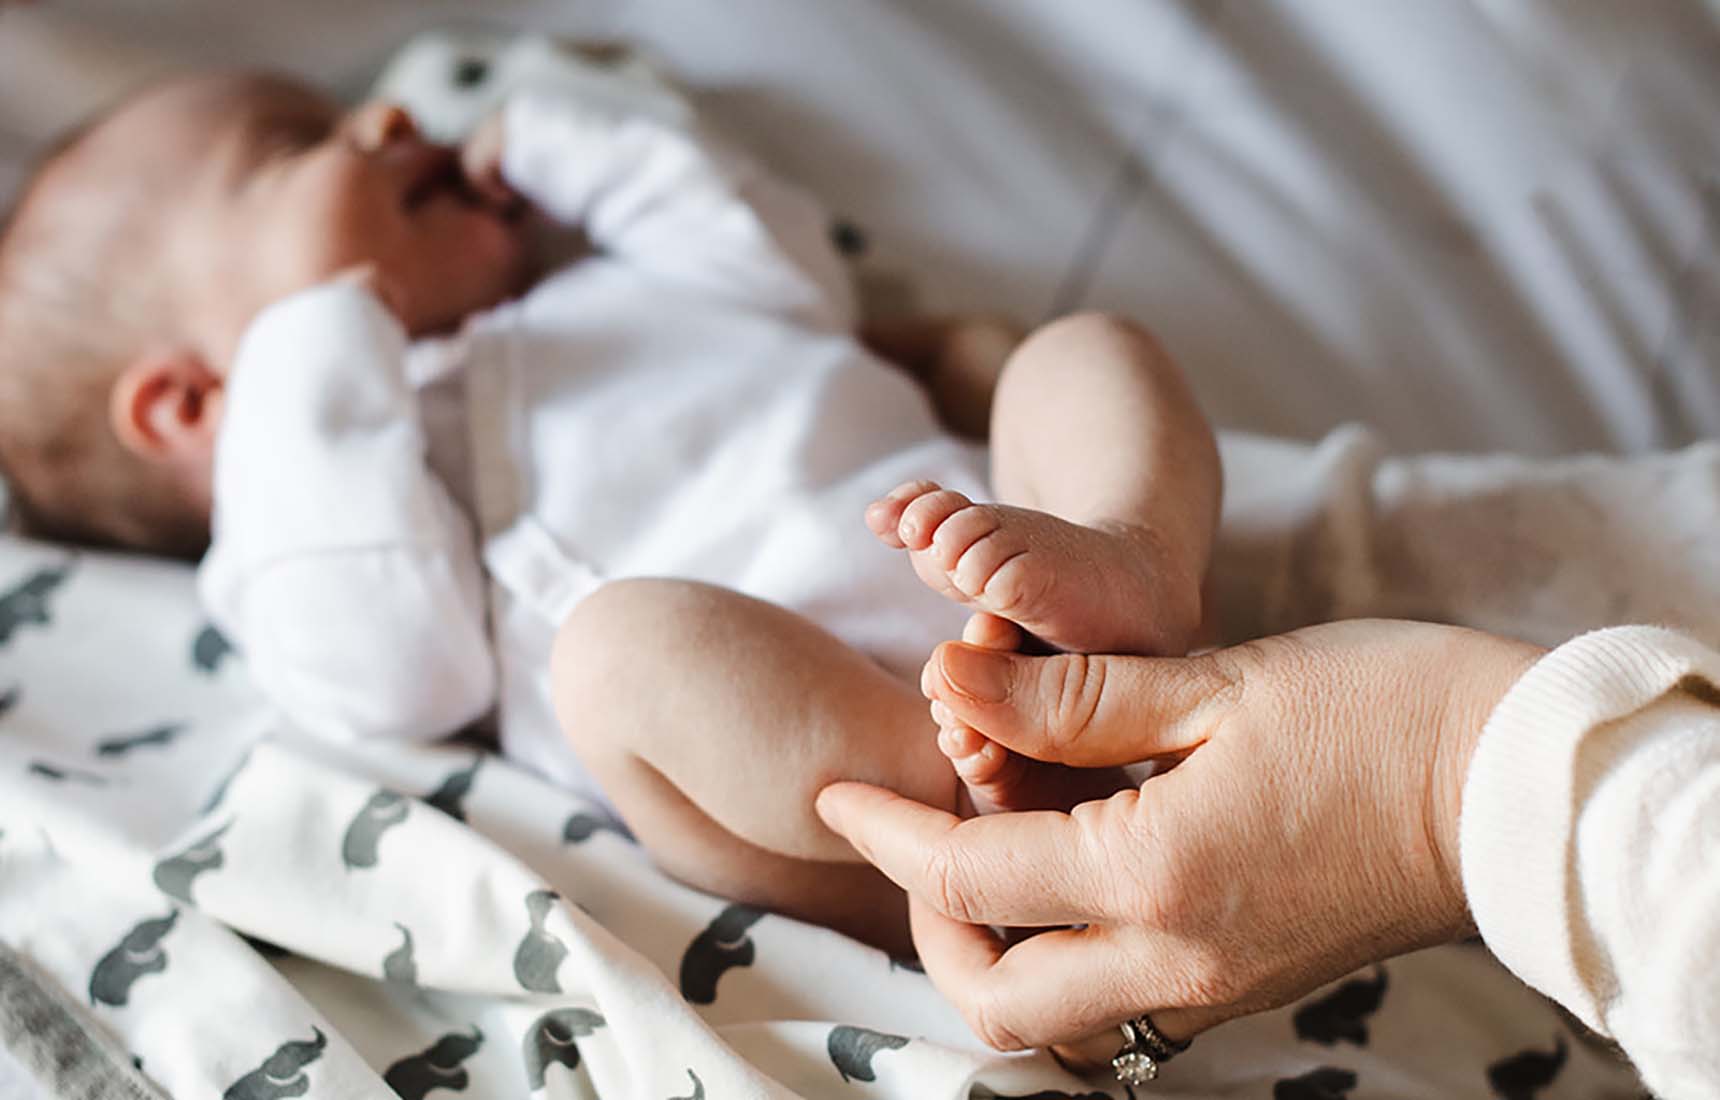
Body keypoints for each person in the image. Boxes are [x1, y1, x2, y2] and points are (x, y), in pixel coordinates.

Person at [0, 71, 1222, 957]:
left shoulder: (598, 283)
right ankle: (973, 804)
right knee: (617, 653)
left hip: (1019, 569)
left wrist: (553, 138)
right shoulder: (300, 529)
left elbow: (790, 275)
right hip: (846, 768)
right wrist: (311, 349)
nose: (386, 119)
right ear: (187, 401)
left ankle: (1133, 556)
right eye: (297, 149)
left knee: (1074, 353)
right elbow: (394, 675)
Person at [814, 431, 1720, 1097]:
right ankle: (1128, 571)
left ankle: (1137, 550)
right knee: (1067, 358)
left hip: (1084, 624)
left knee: (1072, 360)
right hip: (1082, 612)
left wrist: (1437, 783)